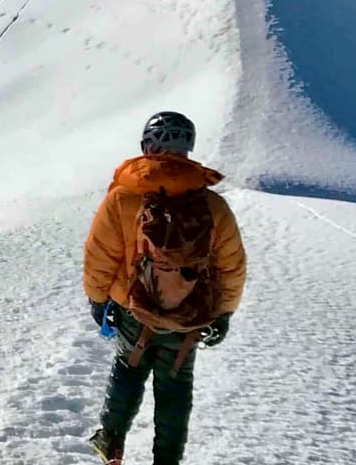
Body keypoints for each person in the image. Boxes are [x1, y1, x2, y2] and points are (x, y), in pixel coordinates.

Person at [81, 111, 247, 465]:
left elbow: (100, 255)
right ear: (188, 150)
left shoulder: (123, 197)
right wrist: (224, 313)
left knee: (128, 369)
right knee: (175, 387)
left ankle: (110, 442)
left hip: (132, 310)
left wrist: (98, 300)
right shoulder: (212, 205)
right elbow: (230, 266)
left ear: (146, 146)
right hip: (188, 316)